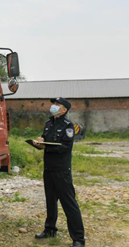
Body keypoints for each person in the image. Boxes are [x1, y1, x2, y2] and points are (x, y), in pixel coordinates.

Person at [33, 97, 86, 247]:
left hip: (61, 171)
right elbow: (45, 141)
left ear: (64, 110)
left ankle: (78, 239)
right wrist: (39, 143)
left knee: (69, 203)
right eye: (53, 104)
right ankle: (50, 229)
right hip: (48, 169)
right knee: (50, 201)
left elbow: (65, 147)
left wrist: (46, 147)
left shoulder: (68, 126)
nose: (54, 107)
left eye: (57, 105)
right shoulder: (49, 123)